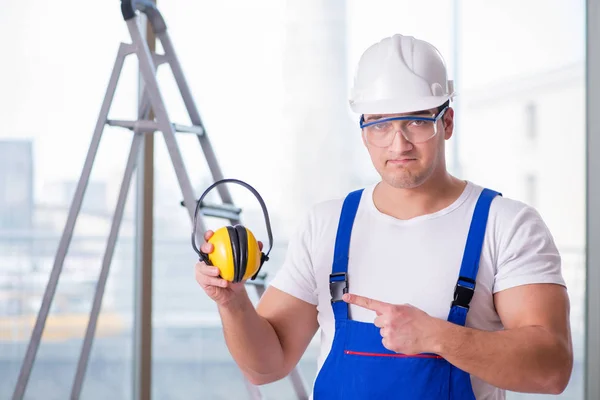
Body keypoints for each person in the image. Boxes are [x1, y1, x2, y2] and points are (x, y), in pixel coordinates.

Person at [194, 33, 573, 399]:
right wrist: (232, 302)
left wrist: (437, 337)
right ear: (363, 131)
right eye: (380, 124)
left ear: (447, 122)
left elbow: (553, 370)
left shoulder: (506, 225)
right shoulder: (326, 225)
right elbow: (266, 366)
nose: (398, 143)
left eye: (416, 121)